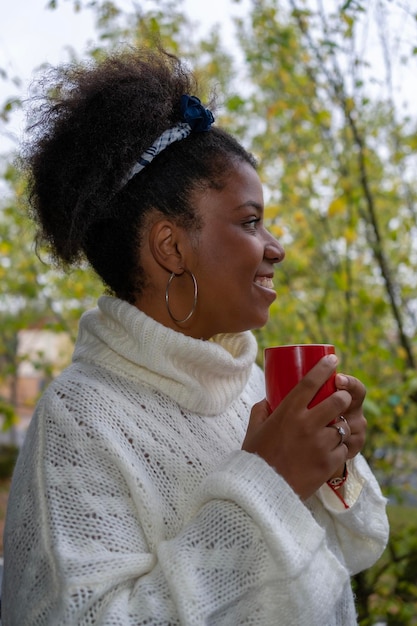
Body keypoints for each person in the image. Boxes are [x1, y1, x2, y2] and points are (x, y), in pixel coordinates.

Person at [2, 47, 388, 625]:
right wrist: (271, 481)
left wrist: (330, 461)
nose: (276, 247)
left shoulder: (252, 390)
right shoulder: (79, 417)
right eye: (250, 220)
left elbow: (350, 556)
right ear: (171, 247)